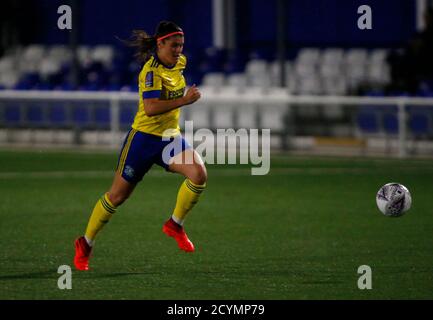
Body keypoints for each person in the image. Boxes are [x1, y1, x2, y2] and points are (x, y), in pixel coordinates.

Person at [74, 21, 207, 271]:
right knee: (117, 197)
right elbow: (151, 107)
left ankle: (175, 224)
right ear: (160, 43)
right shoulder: (150, 72)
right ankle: (85, 242)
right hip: (143, 140)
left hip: (170, 137)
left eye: (181, 45)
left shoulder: (180, 63)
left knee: (198, 174)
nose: (178, 50)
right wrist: (184, 100)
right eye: (174, 45)